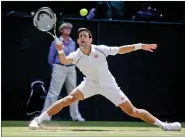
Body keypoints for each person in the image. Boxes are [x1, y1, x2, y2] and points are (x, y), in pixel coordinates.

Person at [29, 28, 181, 131]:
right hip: (90, 84)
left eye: (85, 36)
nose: (82, 38)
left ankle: (165, 126)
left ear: (90, 39)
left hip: (109, 85)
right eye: (80, 36)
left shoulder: (101, 49)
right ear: (78, 40)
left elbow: (121, 49)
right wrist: (60, 50)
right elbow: (63, 60)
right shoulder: (76, 55)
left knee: (132, 111)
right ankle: (38, 119)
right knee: (68, 99)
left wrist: (140, 46)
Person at [40, 22, 85, 122]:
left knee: (74, 92)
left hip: (71, 69)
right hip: (59, 68)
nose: (68, 29)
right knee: (53, 92)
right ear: (61, 30)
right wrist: (56, 68)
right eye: (66, 27)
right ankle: (46, 115)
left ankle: (76, 116)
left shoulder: (73, 43)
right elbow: (50, 58)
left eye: (70, 28)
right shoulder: (56, 42)